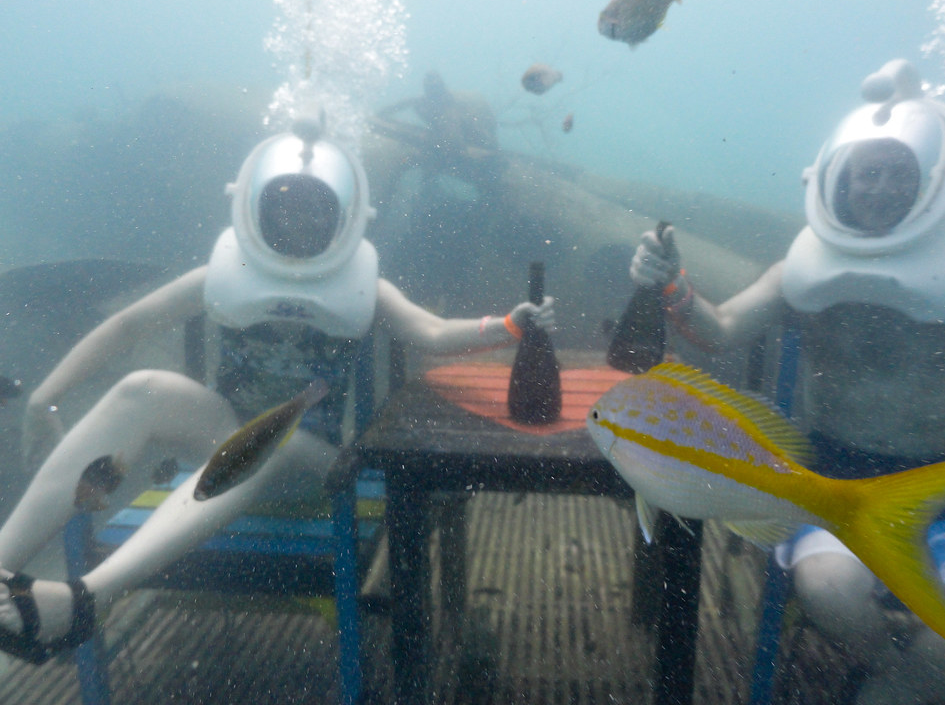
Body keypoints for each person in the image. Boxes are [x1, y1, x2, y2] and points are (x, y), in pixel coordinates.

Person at [0, 112, 555, 663]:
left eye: (314, 208)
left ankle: (87, 601)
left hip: (309, 459)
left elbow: (431, 333)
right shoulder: (225, 270)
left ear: (341, 216)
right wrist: (43, 397)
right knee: (140, 388)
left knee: (268, 438)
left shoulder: (365, 286)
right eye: (285, 203)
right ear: (255, 204)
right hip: (228, 431)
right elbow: (129, 327)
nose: (296, 220)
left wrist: (508, 325)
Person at [629, 59, 945, 704]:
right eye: (870, 173)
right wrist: (670, 283)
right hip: (830, 473)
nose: (883, 189)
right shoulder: (804, 270)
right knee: (830, 590)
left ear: (932, 184)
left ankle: (894, 690)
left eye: (902, 174)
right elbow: (723, 327)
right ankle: (913, 683)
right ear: (840, 179)